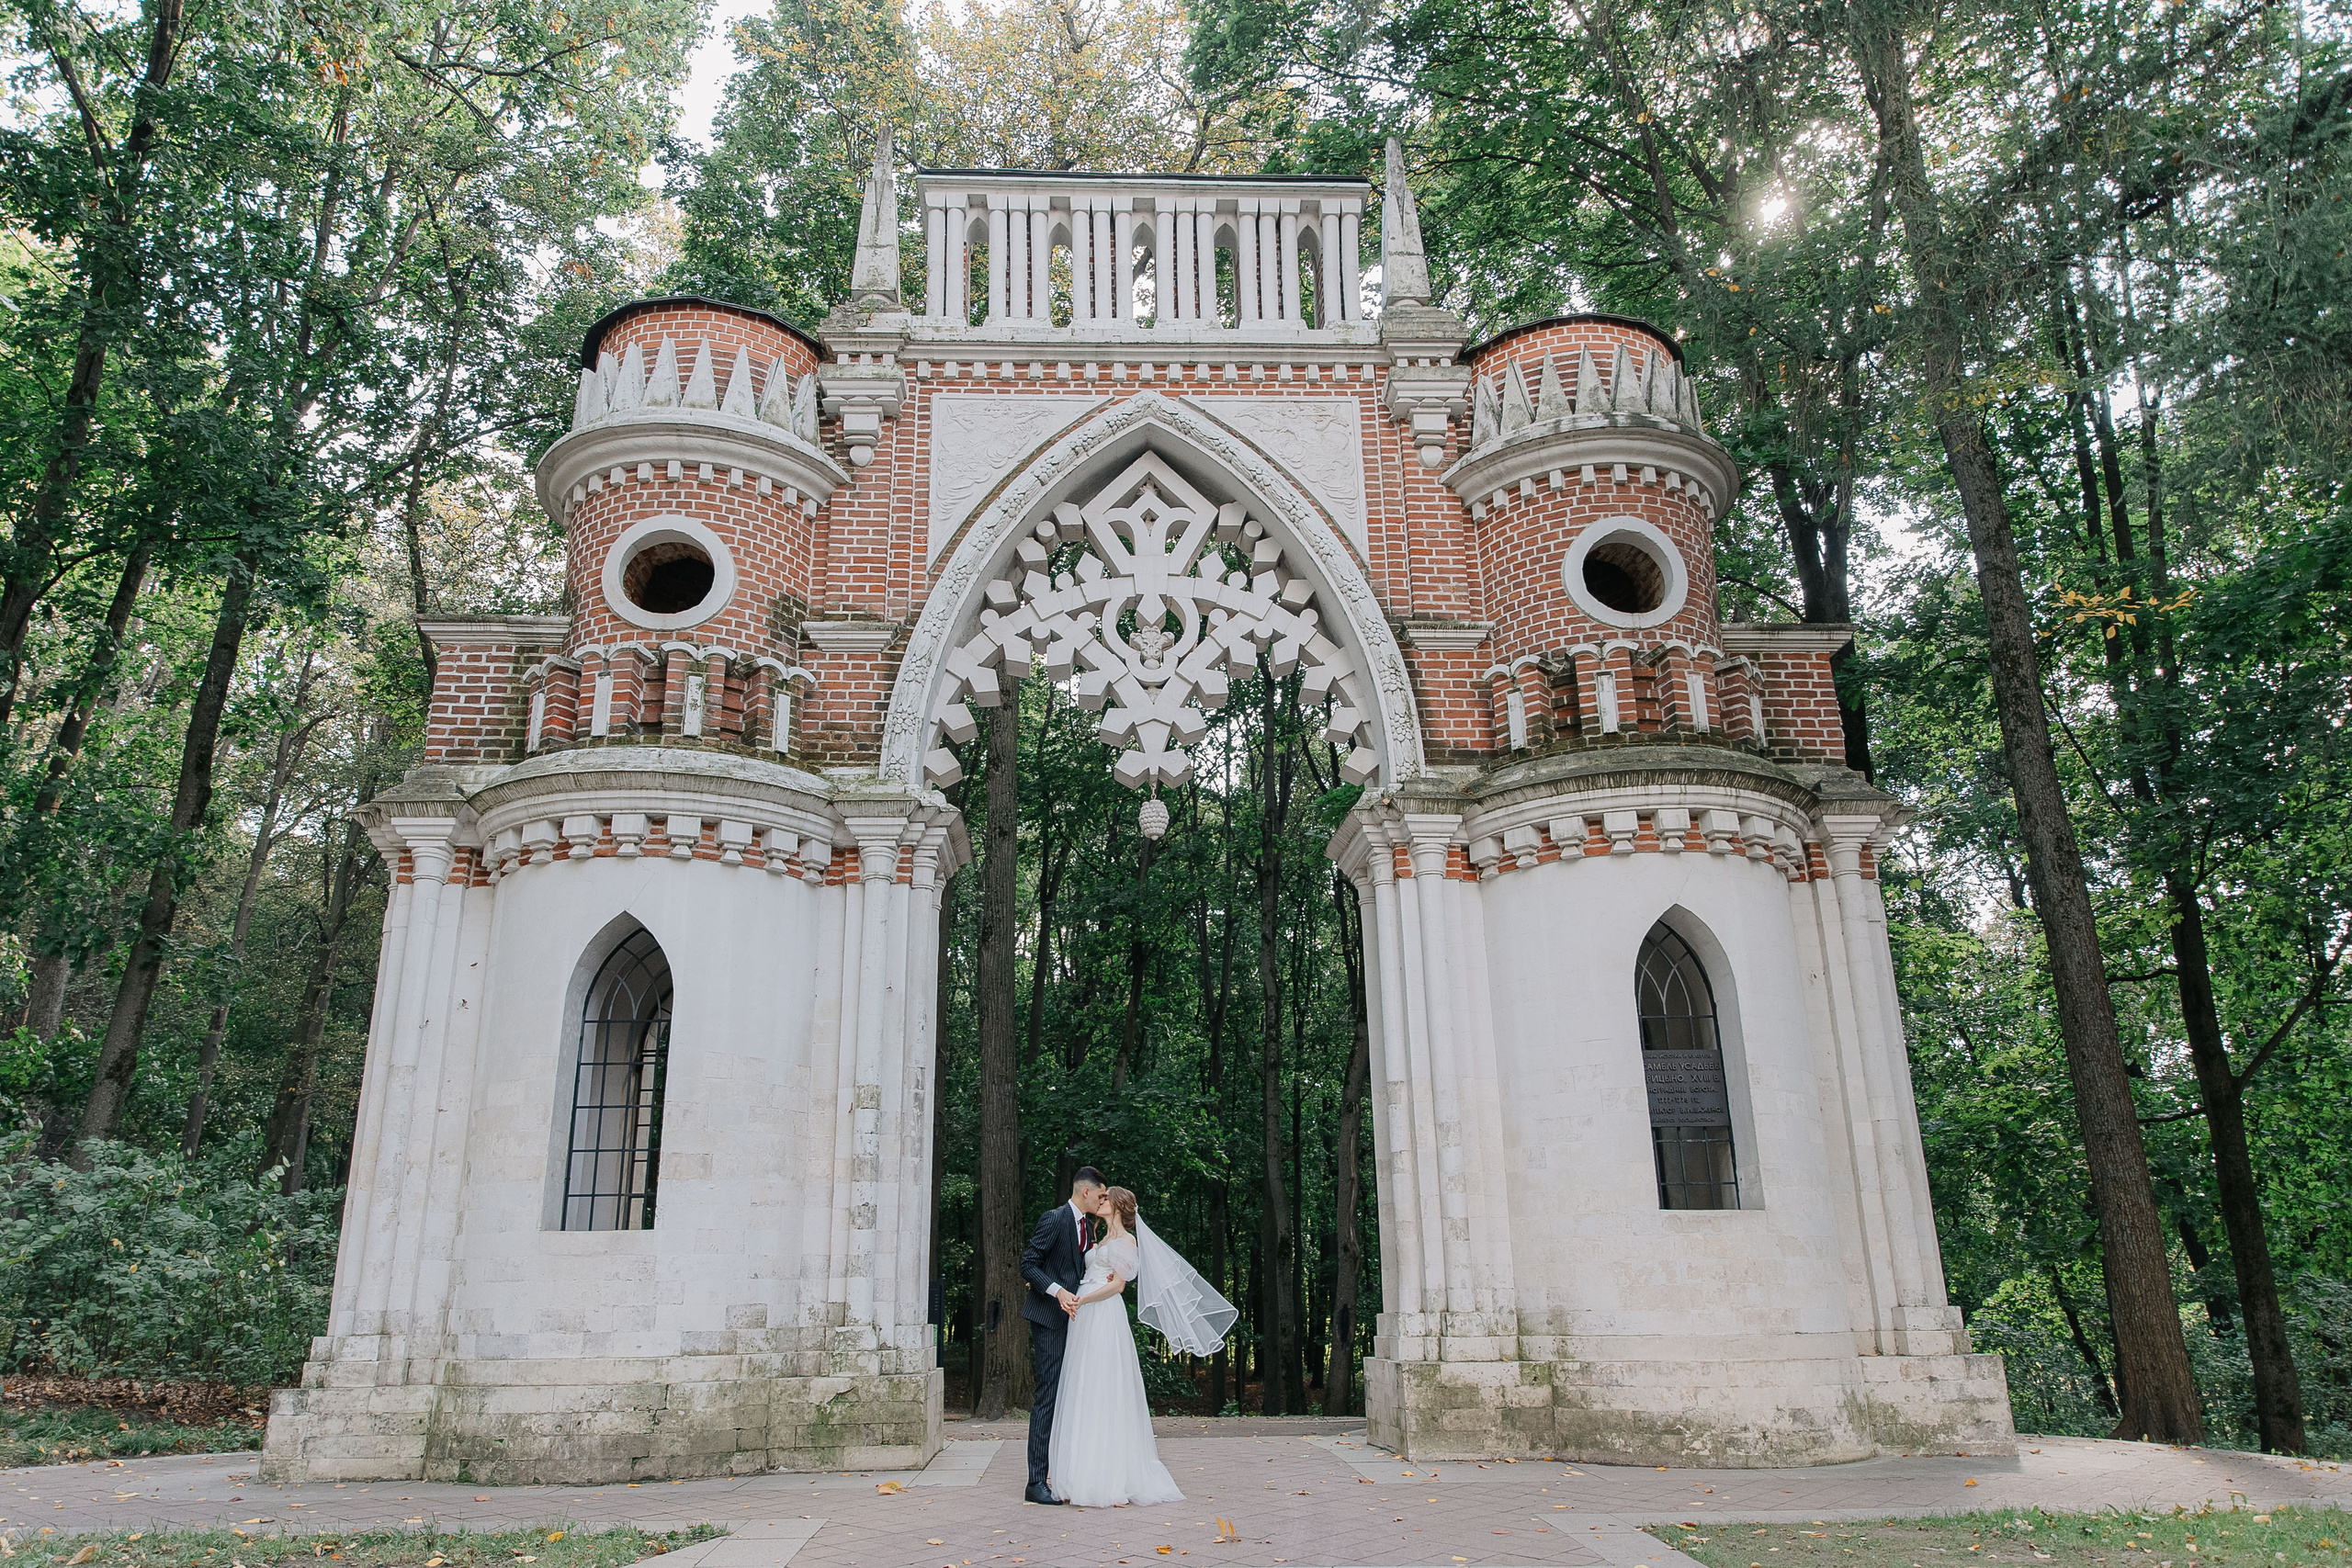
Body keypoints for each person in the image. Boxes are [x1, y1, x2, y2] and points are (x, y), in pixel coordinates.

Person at [1016, 1166, 1102, 1506]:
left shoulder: (1091, 1227)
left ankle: (1065, 1472)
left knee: (1073, 1396)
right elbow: (1028, 1263)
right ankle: (1036, 1482)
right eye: (1099, 1194)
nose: (1101, 1200)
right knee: (1048, 1396)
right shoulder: (1054, 1219)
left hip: (1079, 1322)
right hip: (1050, 1319)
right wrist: (1057, 1292)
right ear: (1085, 1192)